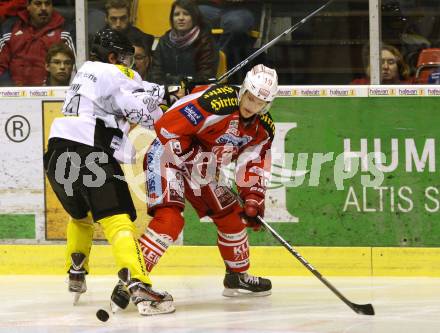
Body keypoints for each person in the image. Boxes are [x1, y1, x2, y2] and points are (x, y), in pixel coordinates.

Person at [110, 64, 278, 308]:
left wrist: (253, 197)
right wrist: (190, 151)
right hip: (168, 155)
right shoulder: (216, 102)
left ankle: (236, 276)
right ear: (243, 90)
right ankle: (132, 280)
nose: (252, 105)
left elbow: (253, 164)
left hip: (202, 166)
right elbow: (167, 126)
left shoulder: (263, 130)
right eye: (250, 97)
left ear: (267, 105)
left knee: (232, 215)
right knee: (170, 220)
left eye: (260, 103)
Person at [43, 27, 175, 316]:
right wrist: (173, 92)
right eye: (126, 58)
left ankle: (76, 269)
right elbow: (141, 109)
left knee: (80, 216)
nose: (129, 64)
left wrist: (164, 96)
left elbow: (129, 116)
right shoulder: (114, 71)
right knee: (118, 221)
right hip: (89, 150)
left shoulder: (85, 74)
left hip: (56, 151)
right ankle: (140, 285)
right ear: (113, 55)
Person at [0, 0, 75, 86]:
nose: (43, 8)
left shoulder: (65, 31)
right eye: (38, 3)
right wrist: (10, 89)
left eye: (47, 4)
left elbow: (74, 67)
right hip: (12, 93)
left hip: (51, 93)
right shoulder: (10, 28)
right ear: (28, 6)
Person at [148, 0, 219, 85]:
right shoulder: (164, 42)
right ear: (172, 19)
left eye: (186, 14)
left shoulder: (205, 41)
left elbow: (206, 76)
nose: (181, 18)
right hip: (167, 91)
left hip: (195, 92)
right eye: (176, 14)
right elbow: (155, 74)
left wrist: (178, 82)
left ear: (194, 17)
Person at [197, 0, 257, 83]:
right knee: (187, 15)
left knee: (237, 25)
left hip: (239, 8)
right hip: (208, 7)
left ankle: (220, 70)